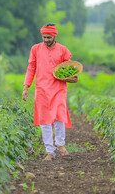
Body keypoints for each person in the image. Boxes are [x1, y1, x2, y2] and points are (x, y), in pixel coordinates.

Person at [22, 23, 78, 161]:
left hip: (59, 88)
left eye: (48, 37)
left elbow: (68, 68)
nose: (46, 40)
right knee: (44, 119)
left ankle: (60, 145)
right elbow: (31, 68)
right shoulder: (35, 49)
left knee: (59, 115)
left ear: (54, 36)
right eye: (44, 37)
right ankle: (50, 151)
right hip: (41, 88)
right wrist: (26, 86)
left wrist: (72, 77)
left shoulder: (63, 50)